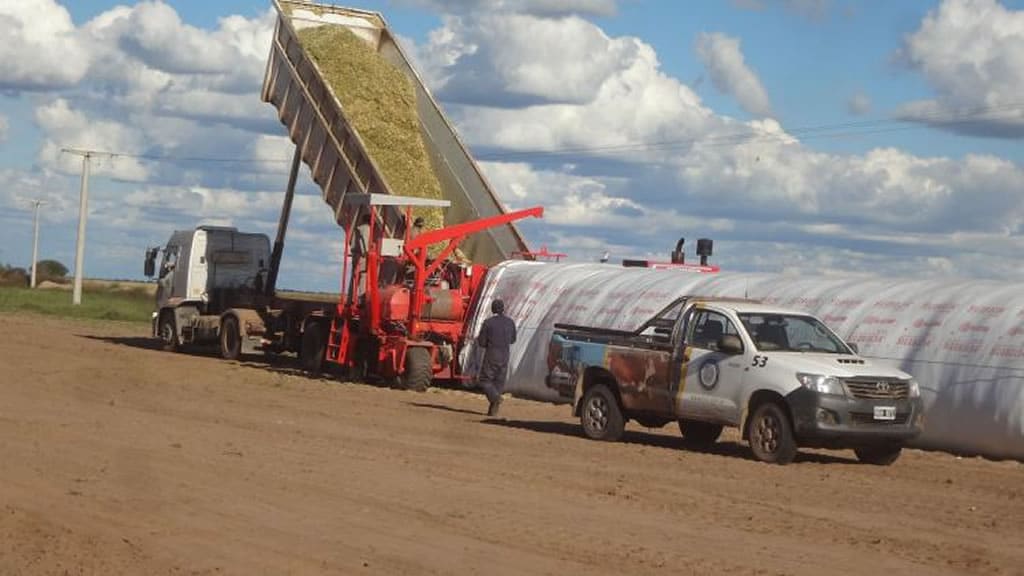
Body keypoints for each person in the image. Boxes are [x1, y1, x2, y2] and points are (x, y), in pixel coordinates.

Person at [476, 298, 517, 416]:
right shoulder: (510, 322)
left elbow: (482, 342)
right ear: (503, 309)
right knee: (499, 382)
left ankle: (495, 398)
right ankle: (493, 411)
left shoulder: (488, 322)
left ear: (492, 309)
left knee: (484, 380)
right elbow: (513, 340)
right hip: (505, 355)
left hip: (491, 355)